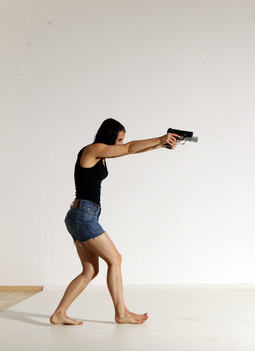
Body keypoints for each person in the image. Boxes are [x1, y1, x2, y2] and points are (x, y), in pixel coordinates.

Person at [50, 118, 180, 325]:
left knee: (90, 270)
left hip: (78, 215)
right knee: (115, 260)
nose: (120, 143)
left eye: (122, 140)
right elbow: (128, 149)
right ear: (109, 136)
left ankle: (59, 314)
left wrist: (160, 145)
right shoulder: (93, 150)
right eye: (118, 139)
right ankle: (121, 313)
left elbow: (133, 150)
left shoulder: (100, 154)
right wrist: (160, 137)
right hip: (84, 215)